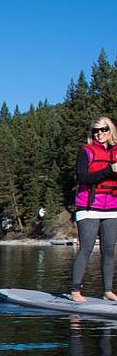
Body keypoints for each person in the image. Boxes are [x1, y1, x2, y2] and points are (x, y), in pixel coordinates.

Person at [69, 116, 117, 303]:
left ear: (110, 130)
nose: (100, 133)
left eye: (103, 129)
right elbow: (83, 178)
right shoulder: (85, 152)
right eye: (96, 130)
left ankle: (107, 291)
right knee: (86, 248)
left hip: (112, 207)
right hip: (88, 207)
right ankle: (75, 290)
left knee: (108, 250)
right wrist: (109, 171)